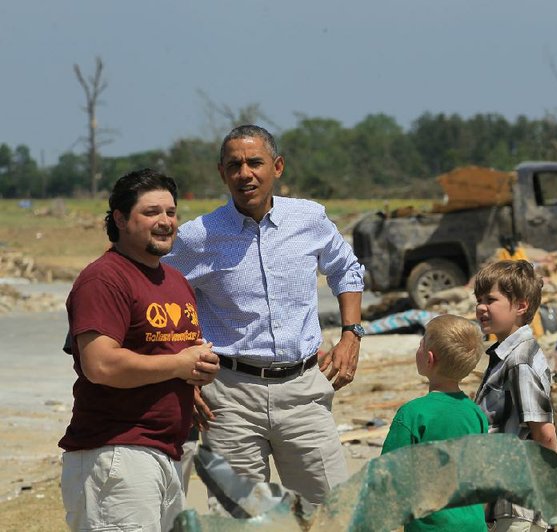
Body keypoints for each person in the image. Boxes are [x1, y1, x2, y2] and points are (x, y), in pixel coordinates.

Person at [162, 124, 365, 505]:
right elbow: (159, 298)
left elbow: (346, 268)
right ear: (221, 173)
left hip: (304, 389)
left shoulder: (310, 219)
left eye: (255, 162)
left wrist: (351, 333)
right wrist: (179, 374)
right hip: (228, 397)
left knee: (333, 512)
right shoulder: (197, 237)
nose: (245, 174)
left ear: (278, 167)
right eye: (234, 165)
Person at [59, 169, 220, 532]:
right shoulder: (105, 278)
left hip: (167, 451)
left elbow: (168, 352)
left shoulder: (174, 280)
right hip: (116, 453)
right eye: (151, 212)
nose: (165, 222)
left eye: (171, 212)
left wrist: (196, 371)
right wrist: (179, 365)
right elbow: (100, 363)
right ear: (120, 218)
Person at [381, 314, 489, 531]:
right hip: (473, 524)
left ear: (429, 359)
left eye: (420, 345)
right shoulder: (476, 413)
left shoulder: (413, 413)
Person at [473, 260, 557, 532]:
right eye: (478, 300)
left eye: (490, 300)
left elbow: (543, 431)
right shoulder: (504, 356)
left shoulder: (519, 361)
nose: (480, 307)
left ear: (521, 306)